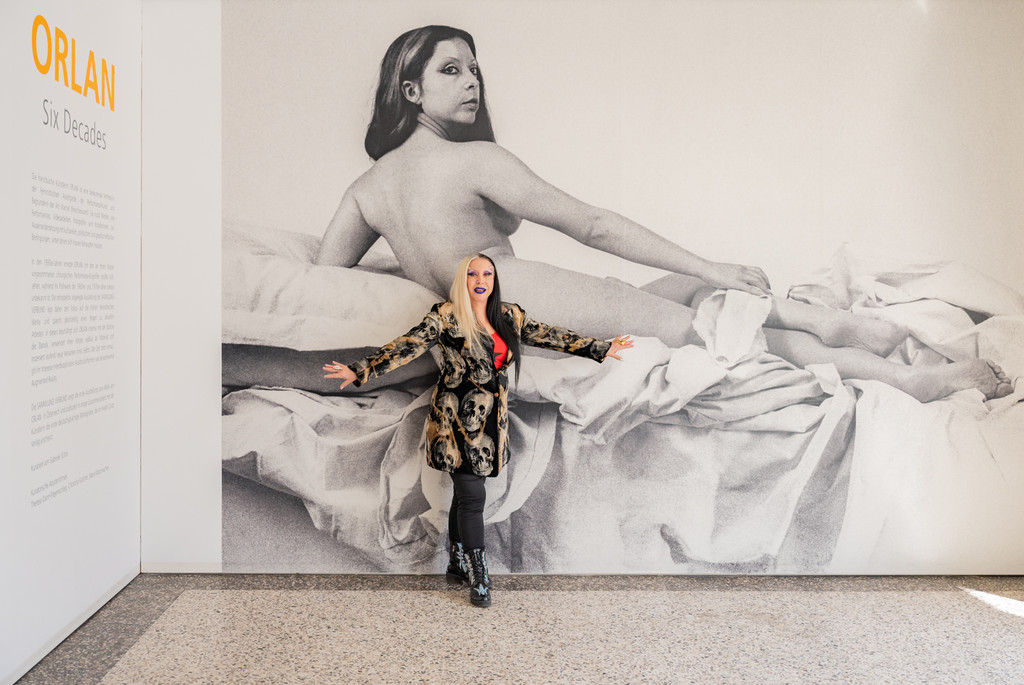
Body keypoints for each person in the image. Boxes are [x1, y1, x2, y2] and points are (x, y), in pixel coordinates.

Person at [312, 25, 1012, 403]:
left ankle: (822, 320)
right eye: (451, 70)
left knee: (688, 295)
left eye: (474, 69)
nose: (472, 82)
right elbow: (593, 225)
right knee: (723, 331)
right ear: (410, 89)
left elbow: (321, 277)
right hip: (519, 292)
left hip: (491, 320)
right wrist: (716, 262)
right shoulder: (474, 160)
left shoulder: (367, 189)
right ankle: (911, 380)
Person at [324, 254, 634, 607]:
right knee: (473, 497)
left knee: (466, 494)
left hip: (492, 423)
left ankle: (457, 561)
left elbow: (550, 335)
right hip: (454, 421)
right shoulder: (445, 316)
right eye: (473, 274)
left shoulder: (509, 316)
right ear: (463, 280)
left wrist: (602, 348)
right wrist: (359, 370)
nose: (481, 279)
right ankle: (479, 574)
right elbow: (408, 345)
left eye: (487, 273)